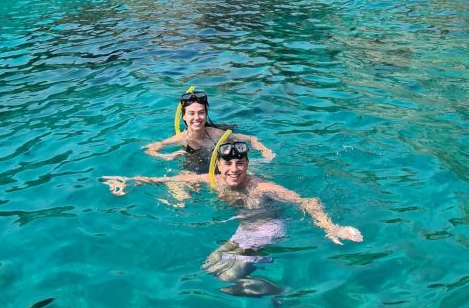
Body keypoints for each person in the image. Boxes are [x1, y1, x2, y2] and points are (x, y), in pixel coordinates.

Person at [102, 141, 362, 296]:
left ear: (247, 164)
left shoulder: (261, 187)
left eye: (240, 164)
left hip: (268, 229)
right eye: (228, 164)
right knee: (210, 266)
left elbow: (307, 201)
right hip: (243, 229)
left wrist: (332, 227)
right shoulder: (213, 181)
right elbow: (171, 179)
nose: (234, 169)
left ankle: (279, 289)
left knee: (227, 277)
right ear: (219, 166)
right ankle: (263, 270)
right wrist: (130, 181)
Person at [143, 89, 275, 173]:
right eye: (191, 113)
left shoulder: (216, 133)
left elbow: (250, 138)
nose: (196, 118)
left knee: (260, 171)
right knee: (181, 196)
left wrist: (263, 149)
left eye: (201, 113)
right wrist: (166, 156)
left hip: (220, 165)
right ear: (184, 116)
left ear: (206, 115)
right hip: (193, 166)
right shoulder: (181, 138)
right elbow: (149, 149)